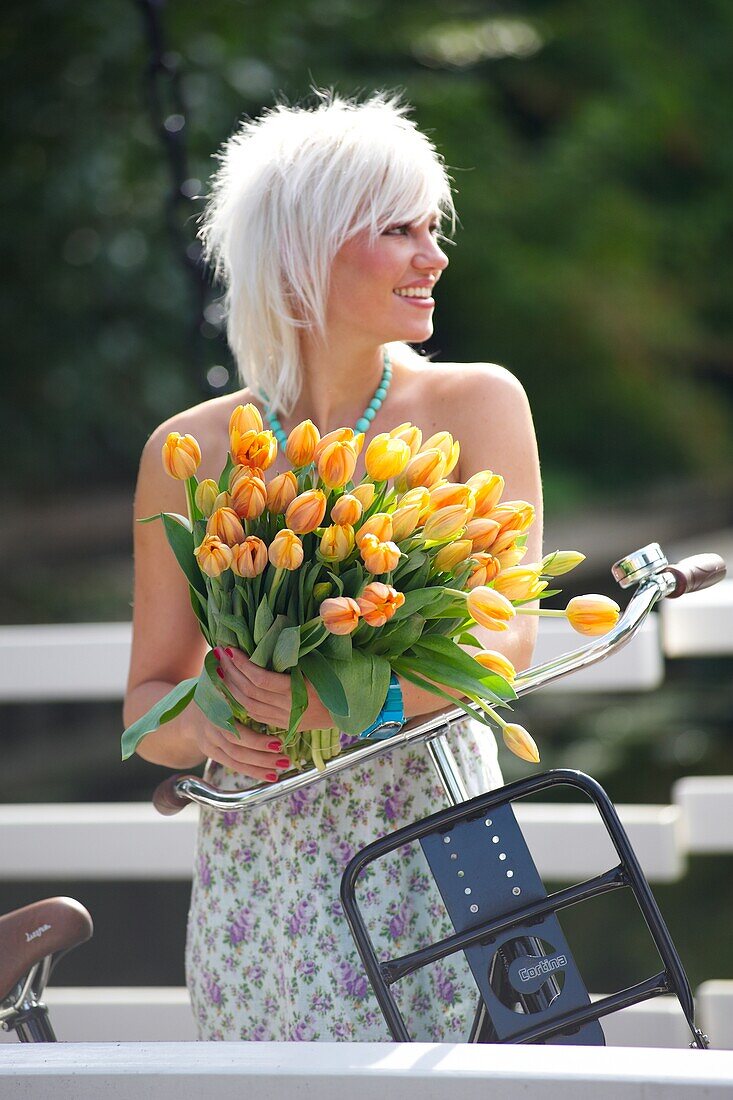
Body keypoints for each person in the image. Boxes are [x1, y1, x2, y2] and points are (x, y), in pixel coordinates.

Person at [123, 91, 543, 1042]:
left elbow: (503, 642)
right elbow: (146, 707)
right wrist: (213, 725)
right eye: (399, 230)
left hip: (433, 839)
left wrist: (344, 705)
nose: (433, 257)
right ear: (303, 251)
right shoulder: (190, 448)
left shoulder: (475, 403)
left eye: (430, 229)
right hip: (259, 870)